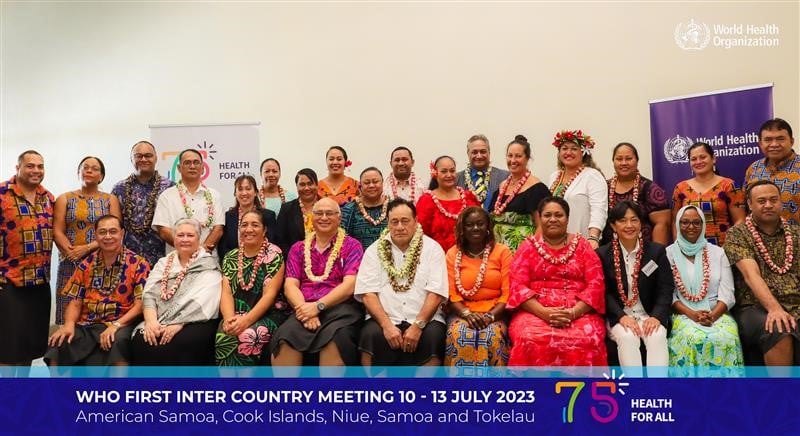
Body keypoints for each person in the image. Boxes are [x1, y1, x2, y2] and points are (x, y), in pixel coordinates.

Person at [507, 197, 607, 366]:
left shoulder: (582, 246)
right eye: (547, 215)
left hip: (578, 313)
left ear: (567, 219)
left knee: (588, 337)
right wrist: (544, 313)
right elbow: (518, 286)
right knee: (528, 337)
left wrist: (573, 312)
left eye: (558, 215)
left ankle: (582, 385)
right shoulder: (528, 247)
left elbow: (595, 285)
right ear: (539, 218)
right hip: (535, 313)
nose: (553, 219)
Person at [45, 215, 150, 367]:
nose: (108, 236)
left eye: (113, 231)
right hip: (88, 323)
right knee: (58, 342)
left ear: (122, 233)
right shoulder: (86, 264)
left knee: (118, 342)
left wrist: (116, 325)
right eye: (102, 232)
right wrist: (68, 324)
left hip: (122, 322)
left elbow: (140, 305)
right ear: (95, 235)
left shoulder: (139, 264)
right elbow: (75, 302)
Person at [271, 198, 364, 367]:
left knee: (335, 340)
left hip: (340, 310)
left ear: (339, 218)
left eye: (329, 213)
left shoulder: (352, 245)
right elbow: (290, 285)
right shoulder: (298, 248)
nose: (324, 217)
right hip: (303, 307)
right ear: (311, 218)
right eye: (319, 213)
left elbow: (349, 285)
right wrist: (305, 310)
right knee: (285, 338)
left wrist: (318, 306)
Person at [356, 198, 449, 366]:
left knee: (433, 337)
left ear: (416, 221)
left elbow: (436, 294)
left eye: (405, 221)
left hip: (426, 320)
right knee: (369, 335)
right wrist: (387, 326)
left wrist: (418, 326)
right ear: (388, 223)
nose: (399, 227)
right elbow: (368, 294)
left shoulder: (433, 249)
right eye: (394, 222)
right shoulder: (374, 250)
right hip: (385, 319)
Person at [724, 180, 800, 365]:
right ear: (750, 204)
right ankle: (781, 386)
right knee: (779, 328)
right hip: (755, 306)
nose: (768, 205)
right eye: (761, 201)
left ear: (780, 202)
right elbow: (751, 276)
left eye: (773, 200)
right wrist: (775, 309)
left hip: (795, 301)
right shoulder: (738, 234)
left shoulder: (796, 233)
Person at [131, 218, 222, 365]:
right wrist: (151, 322)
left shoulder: (208, 264)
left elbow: (205, 301)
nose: (185, 239)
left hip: (194, 321)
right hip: (160, 319)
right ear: (174, 238)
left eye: (190, 235)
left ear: (199, 239)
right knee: (143, 339)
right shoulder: (163, 263)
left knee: (180, 341)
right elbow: (149, 294)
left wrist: (179, 323)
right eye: (180, 235)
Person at [668, 205, 744, 369]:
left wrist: (713, 316)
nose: (691, 227)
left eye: (696, 222)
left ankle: (726, 385)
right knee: (694, 338)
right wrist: (692, 314)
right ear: (677, 225)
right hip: (683, 314)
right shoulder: (668, 254)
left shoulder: (718, 253)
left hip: (717, 313)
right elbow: (669, 295)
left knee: (727, 336)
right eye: (685, 222)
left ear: (703, 225)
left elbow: (727, 293)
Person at [597, 201, 671, 368]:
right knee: (628, 337)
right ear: (613, 226)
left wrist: (656, 316)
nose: (629, 225)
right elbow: (603, 292)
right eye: (623, 221)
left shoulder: (656, 252)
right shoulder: (602, 254)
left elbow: (665, 289)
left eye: (634, 220)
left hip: (649, 315)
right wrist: (621, 316)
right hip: (620, 316)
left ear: (641, 223)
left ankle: (658, 384)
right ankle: (634, 384)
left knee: (657, 336)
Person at [0, 150, 55, 367]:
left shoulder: (48, 197)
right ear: (18, 168)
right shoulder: (2, 194)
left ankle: (23, 389)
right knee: (7, 349)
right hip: (9, 282)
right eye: (30, 166)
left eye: (40, 166)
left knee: (29, 348)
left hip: (40, 283)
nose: (36, 170)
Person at [216, 210, 289, 366]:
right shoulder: (231, 256)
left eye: (255, 225)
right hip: (236, 314)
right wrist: (229, 319)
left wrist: (245, 321)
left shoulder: (274, 254)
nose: (249, 229)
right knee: (224, 335)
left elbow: (269, 295)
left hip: (268, 313)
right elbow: (226, 293)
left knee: (247, 336)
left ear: (264, 230)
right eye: (244, 225)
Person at [53, 156, 121, 324]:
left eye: (95, 168)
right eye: (85, 167)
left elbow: (115, 231)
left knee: (98, 310)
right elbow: (57, 231)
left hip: (102, 262)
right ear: (79, 172)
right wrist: (71, 253)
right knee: (68, 311)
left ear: (101, 176)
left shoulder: (110, 200)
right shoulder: (64, 198)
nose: (89, 170)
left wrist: (87, 248)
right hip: (70, 261)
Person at [445, 207, 512, 367]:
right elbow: (451, 294)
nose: (475, 228)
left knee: (491, 335)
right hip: (462, 312)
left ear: (488, 226)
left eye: (480, 224)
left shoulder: (502, 252)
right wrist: (467, 314)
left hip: (496, 312)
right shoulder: (453, 254)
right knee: (459, 334)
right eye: (469, 225)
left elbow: (508, 293)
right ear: (462, 229)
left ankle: (493, 382)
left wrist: (490, 316)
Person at [112, 140, 174, 268]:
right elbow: (115, 225)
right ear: (131, 159)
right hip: (128, 259)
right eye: (138, 156)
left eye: (148, 155)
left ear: (156, 158)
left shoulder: (170, 187)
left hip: (162, 259)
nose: (144, 159)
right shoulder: (119, 188)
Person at [152, 149, 224, 257]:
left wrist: (201, 252)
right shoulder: (166, 196)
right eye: (187, 163)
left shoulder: (214, 195)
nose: (192, 166)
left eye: (196, 162)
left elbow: (218, 229)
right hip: (176, 261)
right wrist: (187, 249)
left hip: (207, 259)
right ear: (179, 168)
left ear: (203, 168)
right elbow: (163, 230)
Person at [672, 142, 744, 246]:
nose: (698, 162)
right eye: (693, 159)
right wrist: (679, 247)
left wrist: (730, 246)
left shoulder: (729, 185)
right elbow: (675, 222)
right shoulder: (680, 188)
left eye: (703, 157)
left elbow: (740, 220)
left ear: (713, 159)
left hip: (723, 247)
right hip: (690, 248)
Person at [489, 135, 550, 251]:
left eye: (518, 156)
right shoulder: (502, 186)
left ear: (527, 158)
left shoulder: (537, 188)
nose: (513, 161)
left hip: (524, 251)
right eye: (510, 156)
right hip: (498, 251)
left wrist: (531, 251)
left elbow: (542, 226)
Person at [548, 129, 607, 248]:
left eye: (574, 149)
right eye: (564, 148)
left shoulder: (592, 176)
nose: (568, 152)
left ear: (583, 152)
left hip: (583, 243)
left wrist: (593, 237)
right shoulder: (554, 176)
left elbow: (599, 209)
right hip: (556, 242)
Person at [603, 142, 670, 245]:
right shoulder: (603, 187)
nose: (624, 163)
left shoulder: (650, 189)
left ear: (637, 161)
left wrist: (657, 253)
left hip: (644, 251)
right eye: (619, 159)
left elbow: (662, 224)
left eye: (629, 159)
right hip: (609, 250)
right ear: (613, 161)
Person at [417, 156, 480, 251]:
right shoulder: (426, 200)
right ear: (435, 173)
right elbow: (421, 234)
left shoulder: (469, 197)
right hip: (438, 254)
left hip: (470, 253)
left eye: (452, 171)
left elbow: (480, 225)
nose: (449, 175)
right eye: (444, 171)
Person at [744, 118, 799, 224]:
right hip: (757, 234)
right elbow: (746, 206)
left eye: (780, 139)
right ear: (760, 143)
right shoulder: (754, 169)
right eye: (768, 140)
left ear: (792, 141)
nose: (774, 144)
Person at [217, 175, 277, 262]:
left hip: (262, 264)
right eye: (240, 189)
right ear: (235, 193)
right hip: (234, 265)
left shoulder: (268, 216)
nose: (244, 193)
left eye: (248, 189)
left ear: (256, 192)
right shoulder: (228, 216)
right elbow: (223, 247)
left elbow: (271, 244)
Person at [340, 167, 389, 251]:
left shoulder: (393, 207)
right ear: (360, 186)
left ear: (382, 183)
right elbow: (342, 240)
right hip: (357, 257)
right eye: (366, 183)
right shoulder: (349, 210)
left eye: (375, 182)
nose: (371, 185)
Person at [457, 134, 509, 211]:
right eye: (474, 152)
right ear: (468, 154)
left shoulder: (505, 177)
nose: (479, 156)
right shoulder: (456, 179)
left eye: (483, 152)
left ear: (489, 152)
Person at [275, 168, 320, 254]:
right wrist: (294, 257)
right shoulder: (287, 209)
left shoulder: (327, 206)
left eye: (310, 184)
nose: (306, 188)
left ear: (317, 185)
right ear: (297, 186)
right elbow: (280, 240)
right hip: (294, 258)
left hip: (325, 258)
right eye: (302, 184)